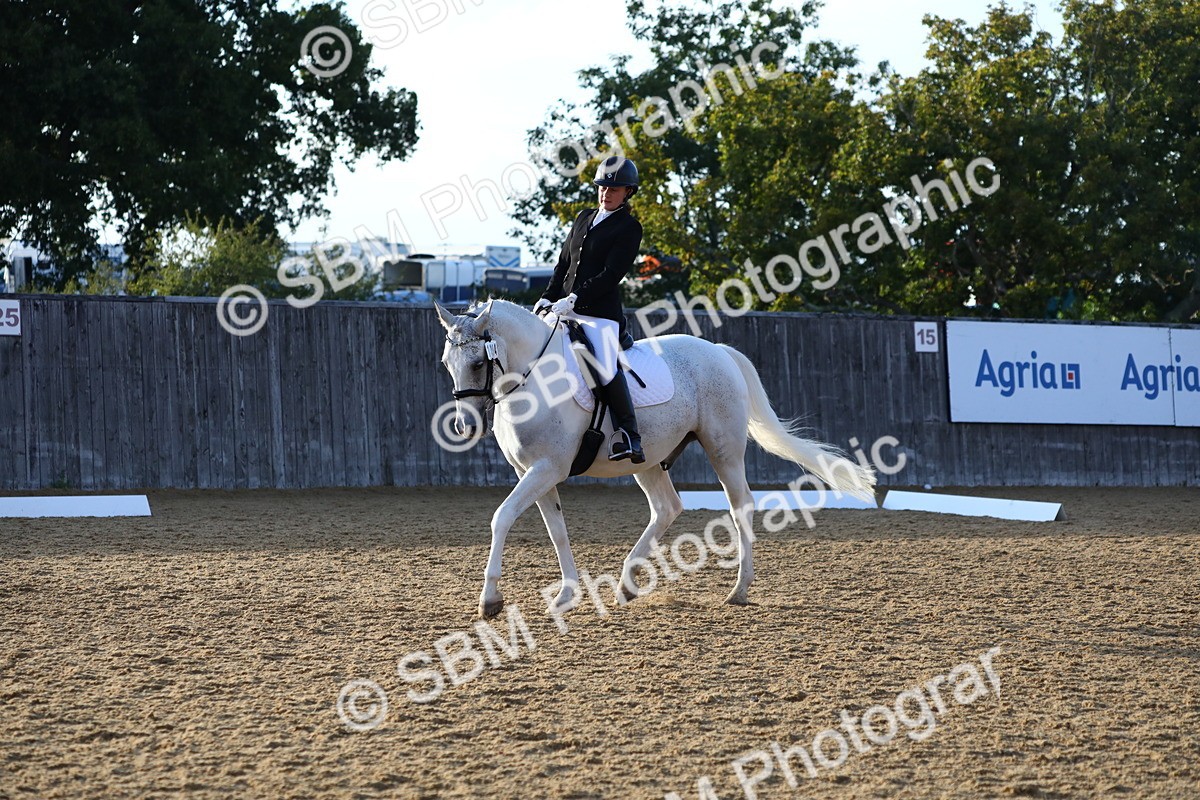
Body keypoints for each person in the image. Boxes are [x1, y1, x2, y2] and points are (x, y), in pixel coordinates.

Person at [535, 154, 645, 464]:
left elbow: (611, 274)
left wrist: (575, 298)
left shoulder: (629, 227)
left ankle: (630, 436)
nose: (606, 194)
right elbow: (563, 264)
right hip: (563, 308)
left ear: (628, 193)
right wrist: (547, 297)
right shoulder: (583, 217)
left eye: (614, 190)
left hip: (600, 316)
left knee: (606, 366)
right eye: (602, 188)